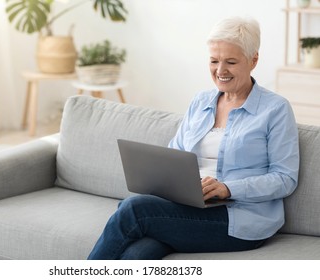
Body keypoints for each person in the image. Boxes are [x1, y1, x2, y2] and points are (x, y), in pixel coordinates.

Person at [87, 16, 300, 260]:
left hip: (241, 219)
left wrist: (227, 188)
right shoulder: (201, 102)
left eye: (231, 61)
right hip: (191, 207)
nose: (220, 71)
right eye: (214, 61)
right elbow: (175, 153)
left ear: (253, 60)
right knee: (135, 256)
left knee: (134, 209)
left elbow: (285, 178)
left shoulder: (275, 109)